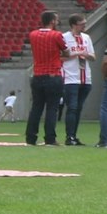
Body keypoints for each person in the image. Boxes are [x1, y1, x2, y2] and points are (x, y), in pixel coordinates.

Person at [25, 10, 65, 146]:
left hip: (37, 74)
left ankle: (30, 138)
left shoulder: (33, 35)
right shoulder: (57, 35)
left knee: (36, 107)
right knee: (52, 108)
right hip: (53, 75)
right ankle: (50, 138)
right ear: (53, 21)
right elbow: (65, 50)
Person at [60, 15, 95, 146]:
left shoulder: (86, 38)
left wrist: (87, 55)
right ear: (74, 24)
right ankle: (69, 136)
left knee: (78, 108)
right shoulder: (64, 38)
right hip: (70, 78)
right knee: (72, 107)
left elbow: (93, 56)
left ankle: (74, 135)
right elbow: (60, 57)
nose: (84, 26)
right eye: (82, 24)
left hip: (85, 78)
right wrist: (74, 54)